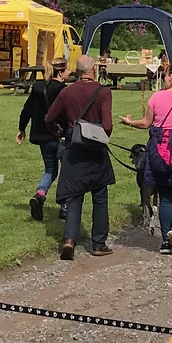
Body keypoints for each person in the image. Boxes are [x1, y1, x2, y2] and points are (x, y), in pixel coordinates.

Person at [123, 61, 172, 255]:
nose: (164, 78)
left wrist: (129, 122)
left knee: (165, 194)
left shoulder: (156, 98)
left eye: (166, 75)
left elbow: (146, 123)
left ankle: (166, 242)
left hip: (159, 151)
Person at [44, 56, 117, 259]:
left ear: (77, 70)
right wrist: (101, 135)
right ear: (93, 70)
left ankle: (69, 240)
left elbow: (49, 118)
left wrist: (60, 132)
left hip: (73, 147)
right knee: (100, 196)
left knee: (74, 196)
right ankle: (99, 243)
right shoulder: (103, 92)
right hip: (96, 151)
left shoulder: (67, 92)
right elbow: (108, 125)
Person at [16, 58, 69, 221]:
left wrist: (21, 128)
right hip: (60, 136)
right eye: (68, 69)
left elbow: (27, 109)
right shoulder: (63, 90)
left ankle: (40, 194)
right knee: (66, 171)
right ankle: (64, 206)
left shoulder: (38, 87)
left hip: (42, 137)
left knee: (50, 170)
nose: (70, 72)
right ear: (61, 72)